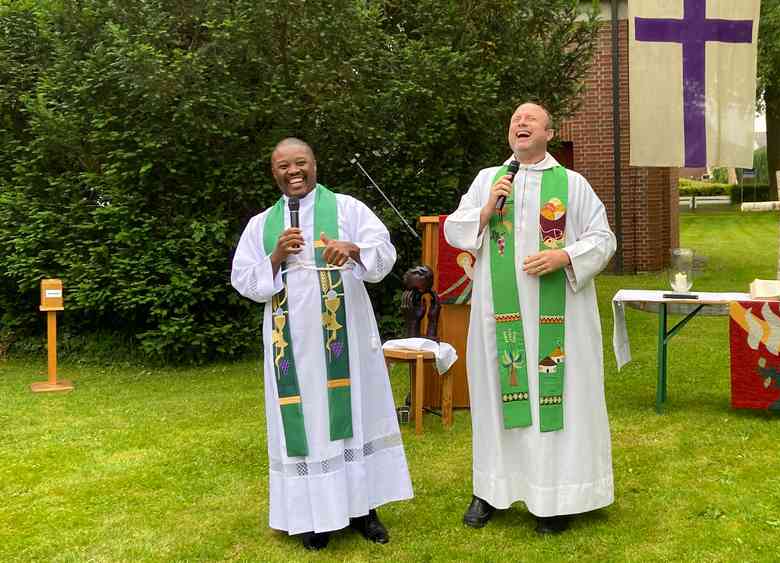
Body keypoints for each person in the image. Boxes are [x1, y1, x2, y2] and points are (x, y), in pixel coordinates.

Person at [444, 102, 617, 534]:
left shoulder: (572, 185)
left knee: (557, 402)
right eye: (514, 120)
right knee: (497, 399)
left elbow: (603, 239)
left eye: (530, 120)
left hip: (558, 319)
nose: (520, 124)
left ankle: (558, 497)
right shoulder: (489, 180)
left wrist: (565, 255)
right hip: (498, 318)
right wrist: (484, 212)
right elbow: (455, 228)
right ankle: (491, 489)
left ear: (549, 133)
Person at [231, 138, 412, 549]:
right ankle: (315, 516)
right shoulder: (262, 225)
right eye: (283, 166)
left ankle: (365, 509)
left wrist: (353, 250)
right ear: (273, 172)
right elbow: (243, 280)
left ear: (315, 164)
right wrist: (275, 257)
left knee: (356, 411)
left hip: (344, 332)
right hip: (291, 344)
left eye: (301, 163)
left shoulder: (348, 208)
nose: (293, 172)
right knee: (306, 421)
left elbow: (384, 255)